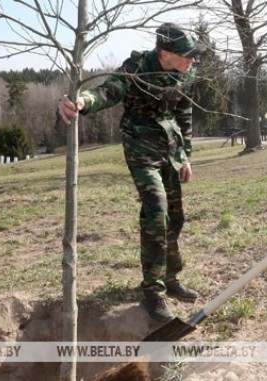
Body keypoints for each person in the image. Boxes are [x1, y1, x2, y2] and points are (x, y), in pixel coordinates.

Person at [58, 22, 206, 323]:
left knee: (175, 216)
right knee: (156, 211)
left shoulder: (187, 73)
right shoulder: (136, 67)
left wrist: (185, 157)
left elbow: (183, 112)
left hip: (170, 148)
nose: (193, 60)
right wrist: (83, 101)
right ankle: (153, 293)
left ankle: (170, 278)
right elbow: (109, 91)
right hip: (141, 147)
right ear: (165, 52)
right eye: (187, 54)